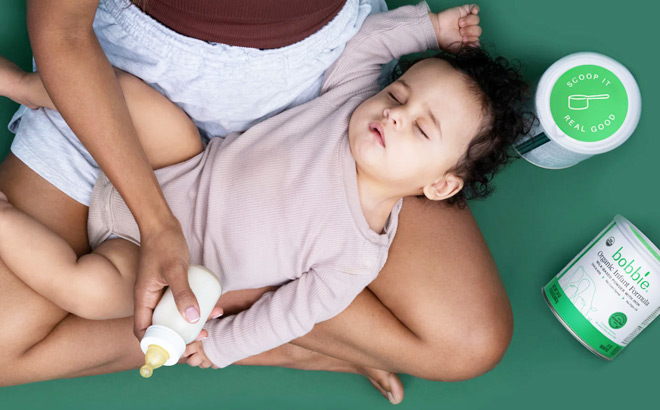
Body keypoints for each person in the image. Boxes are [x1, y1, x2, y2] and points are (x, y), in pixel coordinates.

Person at [0, 0, 514, 404]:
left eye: (421, 128)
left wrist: (225, 345)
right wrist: (427, 27)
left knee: (89, 291)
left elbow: (295, 310)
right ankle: (25, 85)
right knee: (146, 111)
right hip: (175, 159)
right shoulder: (348, 102)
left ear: (441, 185)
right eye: (398, 97)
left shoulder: (357, 255)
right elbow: (371, 50)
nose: (396, 115)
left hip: (161, 260)